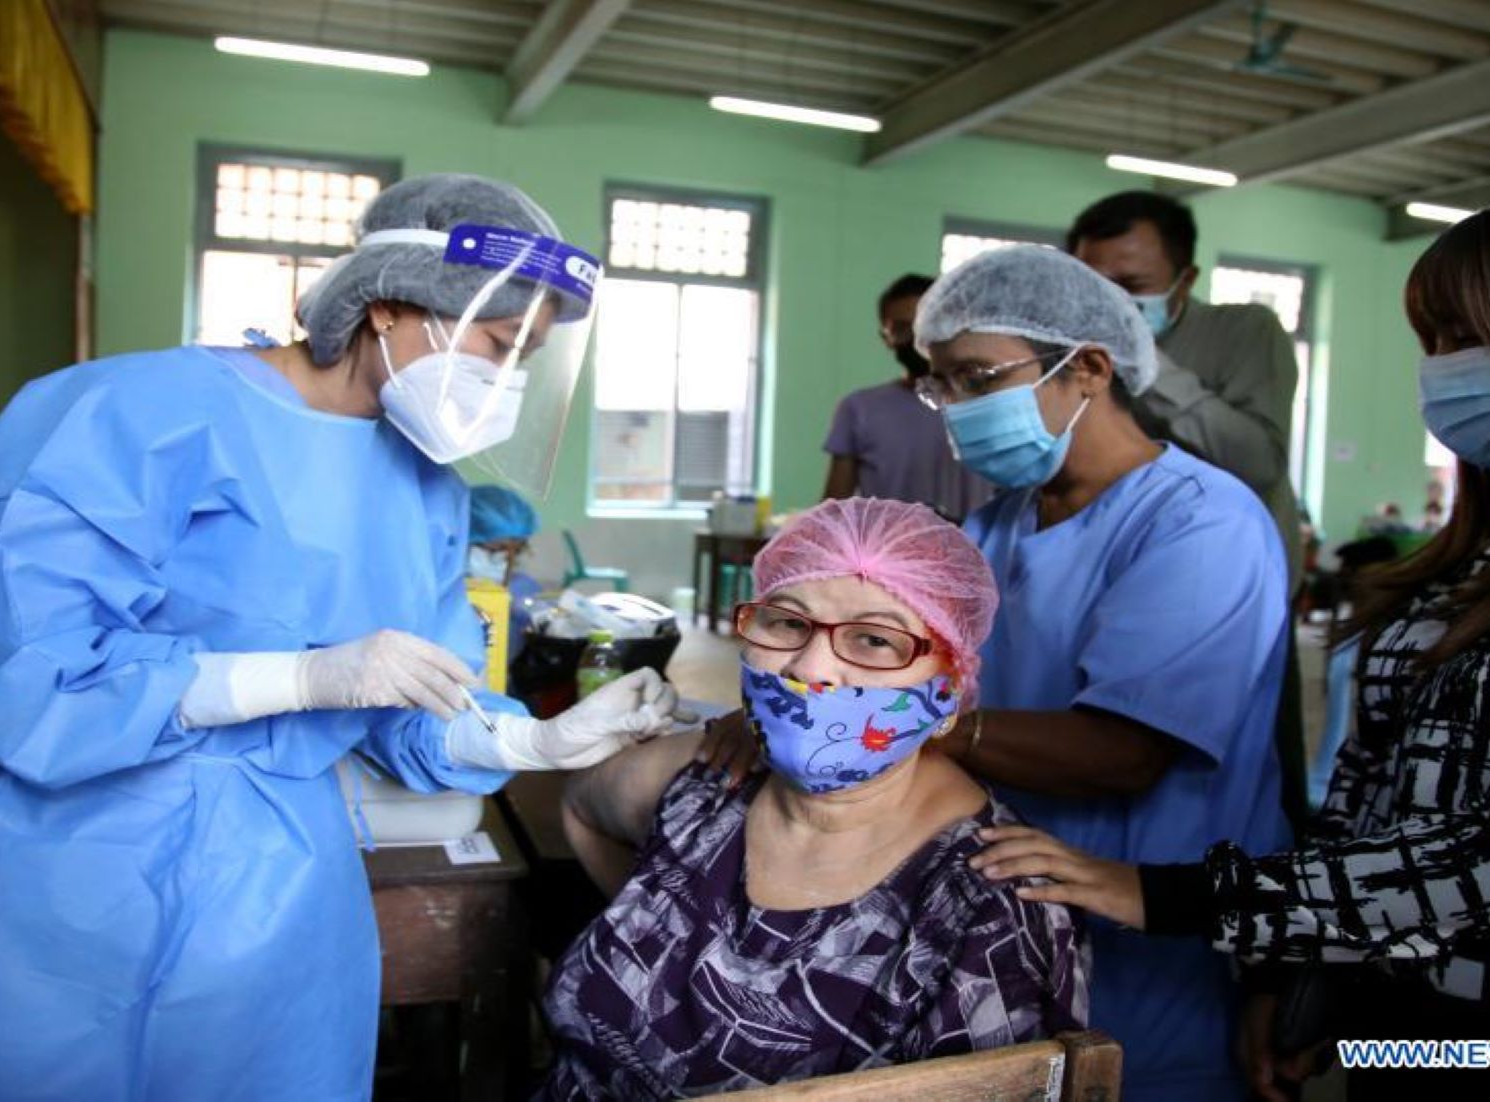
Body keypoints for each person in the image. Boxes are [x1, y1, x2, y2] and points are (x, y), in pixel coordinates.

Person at [0, 175, 688, 1102]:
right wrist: (296, 679)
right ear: (386, 306)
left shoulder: (425, 490)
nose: (503, 383)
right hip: (59, 867)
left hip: (272, 880)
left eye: (526, 359)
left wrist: (533, 741)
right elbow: (24, 666)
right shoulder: (132, 413)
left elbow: (407, 695)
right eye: (495, 346)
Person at [970, 180, 1490, 1098]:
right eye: (1436, 344)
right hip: (1404, 1022)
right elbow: (1366, 795)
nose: (1442, 372)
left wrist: (1162, 895)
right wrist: (1294, 978)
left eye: (1466, 341)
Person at [542, 498, 1087, 1097]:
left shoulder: (989, 905)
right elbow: (581, 807)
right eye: (787, 622)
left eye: (875, 639)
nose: (812, 667)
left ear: (950, 693)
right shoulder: (706, 784)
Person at [915, 245, 1290, 1102]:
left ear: (1085, 368)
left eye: (977, 378)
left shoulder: (1201, 523)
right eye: (940, 385)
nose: (957, 409)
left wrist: (911, 723)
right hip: (1012, 906)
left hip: (1150, 923)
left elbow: (1124, 752)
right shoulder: (995, 524)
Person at [1069, 191, 1309, 830]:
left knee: (1248, 778)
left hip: (1232, 597)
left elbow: (1257, 460)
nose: (1110, 304)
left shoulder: (1243, 332)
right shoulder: (1068, 354)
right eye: (1093, 288)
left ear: (1185, 279)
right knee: (1116, 765)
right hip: (1113, 587)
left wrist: (1147, 366)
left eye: (1131, 286)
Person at [823, 274, 992, 521]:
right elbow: (833, 514)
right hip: (887, 556)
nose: (916, 341)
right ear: (886, 337)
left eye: (925, 327)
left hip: (977, 554)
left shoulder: (990, 403)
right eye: (902, 329)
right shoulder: (859, 409)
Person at [467, 483, 543, 658]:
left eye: (514, 552)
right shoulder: (443, 590)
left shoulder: (524, 590)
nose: (504, 561)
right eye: (496, 549)